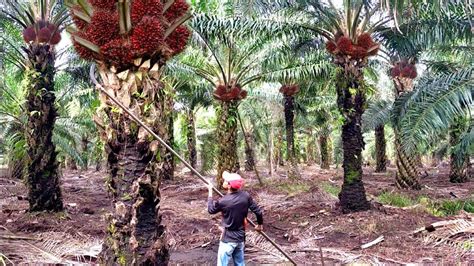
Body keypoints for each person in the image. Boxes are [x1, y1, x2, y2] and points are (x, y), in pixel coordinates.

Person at [207, 171, 263, 266]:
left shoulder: (223, 201)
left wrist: (210, 192)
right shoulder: (246, 196)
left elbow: (211, 210)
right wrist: (260, 225)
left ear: (229, 185)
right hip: (240, 238)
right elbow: (258, 211)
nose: (223, 181)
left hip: (228, 238)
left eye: (225, 180)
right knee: (240, 263)